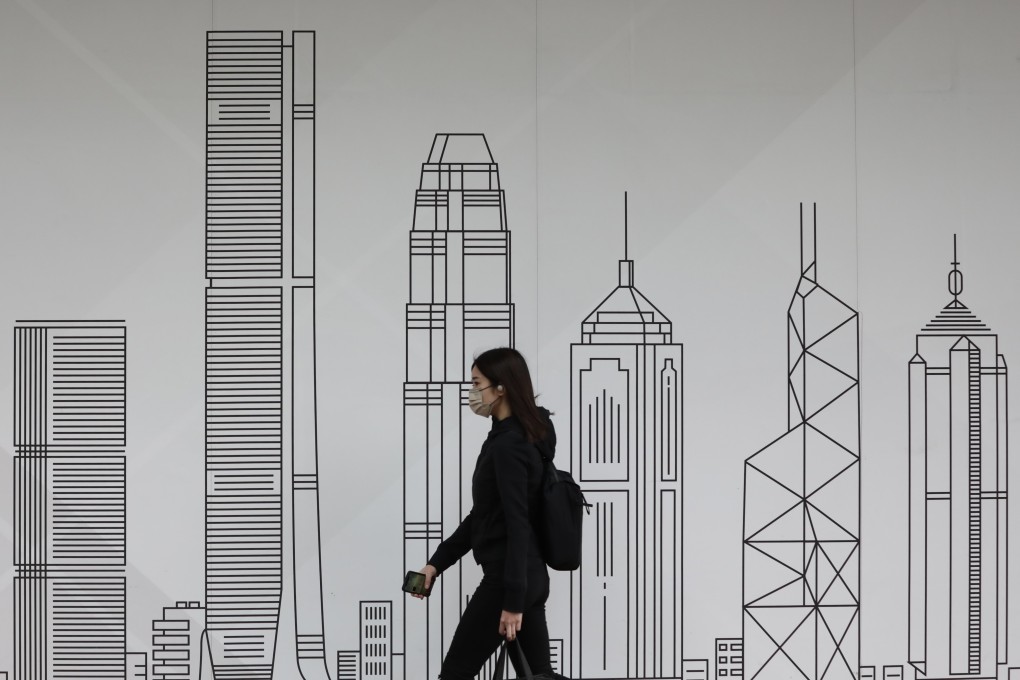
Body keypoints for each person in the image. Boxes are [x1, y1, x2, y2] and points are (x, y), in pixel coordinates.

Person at [412, 347, 555, 679]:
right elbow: (485, 515)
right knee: (539, 675)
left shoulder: (508, 446)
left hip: (508, 580)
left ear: (501, 387)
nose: (472, 392)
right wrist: (435, 565)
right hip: (529, 577)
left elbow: (517, 524)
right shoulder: (520, 437)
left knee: (456, 672)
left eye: (476, 383)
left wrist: (512, 601)